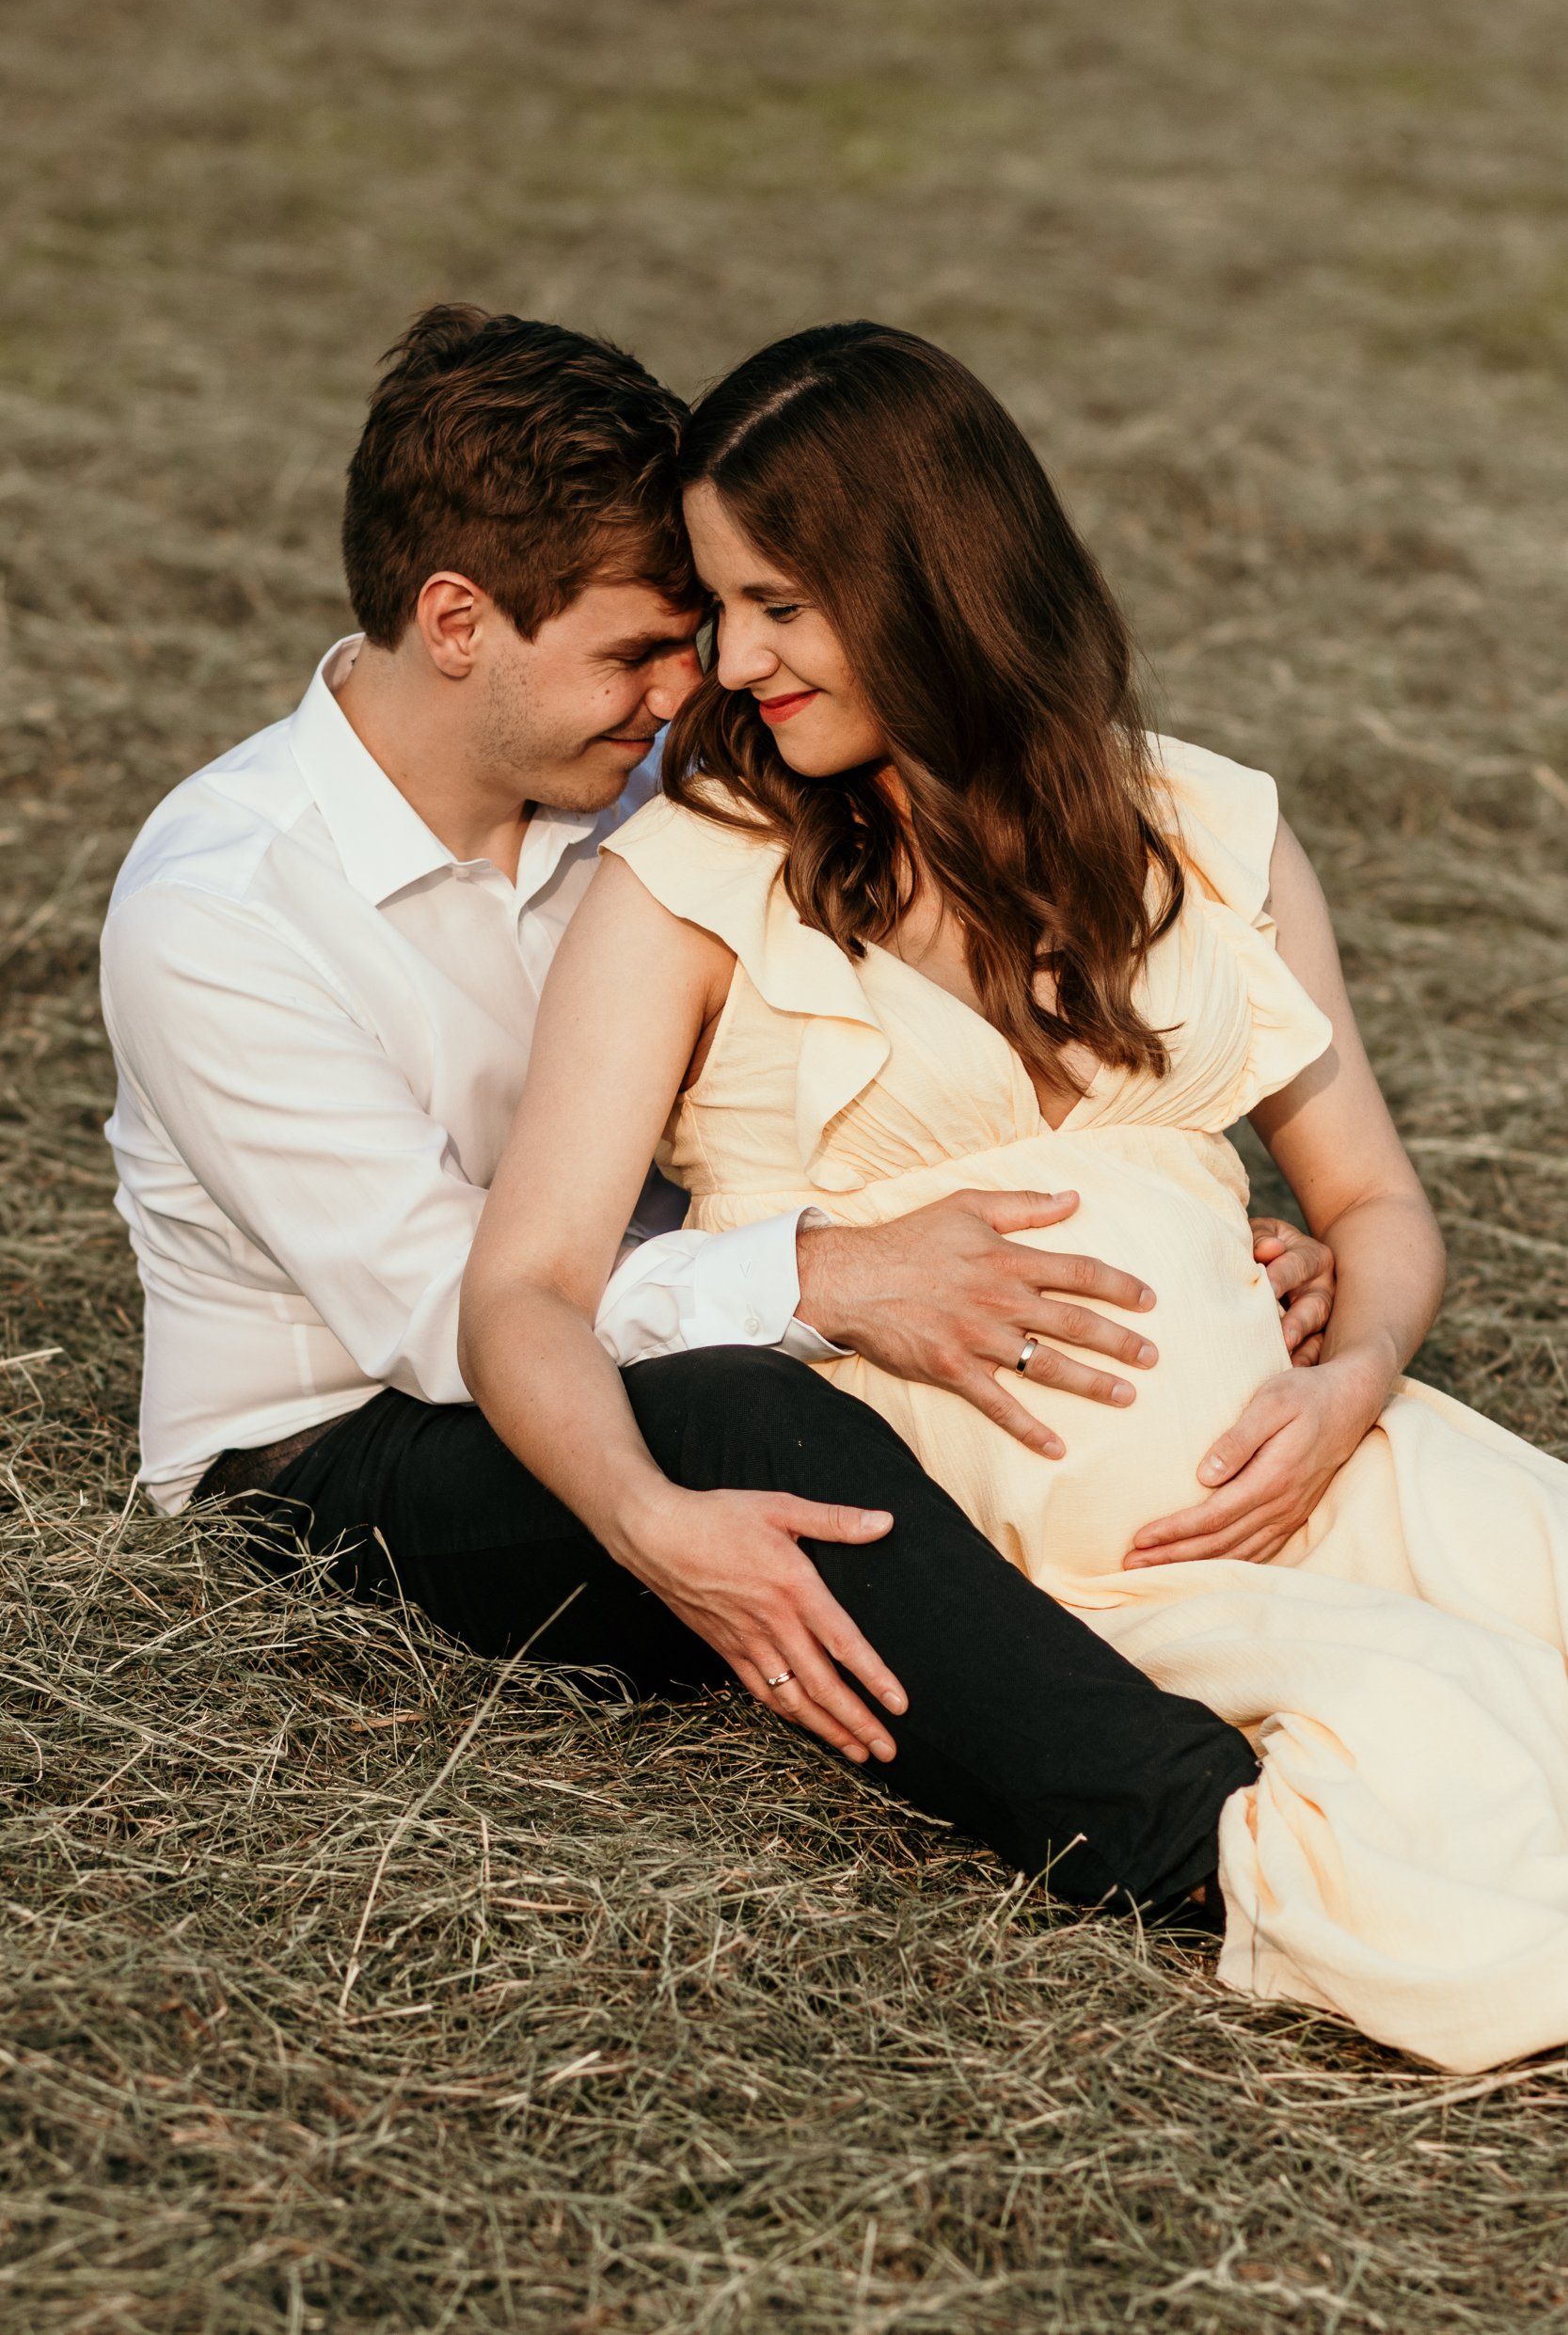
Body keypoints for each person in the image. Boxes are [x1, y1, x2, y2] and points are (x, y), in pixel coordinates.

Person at [100, 303, 1336, 1923]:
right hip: (340, 1448)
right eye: (638, 651)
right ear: (457, 620)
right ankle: (1216, 1847)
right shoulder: (223, 912)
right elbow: (436, 1313)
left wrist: (1161, 1231)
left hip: (670, 1330)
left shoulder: (654, 795)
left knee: (820, 1379)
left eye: (700, 633)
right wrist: (824, 1279)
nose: (695, 686)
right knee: (751, 1414)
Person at [459, 321, 1568, 2075]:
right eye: (716, 606)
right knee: (1468, 1765)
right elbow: (521, 1289)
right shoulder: (691, 886)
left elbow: (1379, 1210)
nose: (732, 662)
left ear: (926, 576)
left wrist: (1348, 1380)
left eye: (777, 604)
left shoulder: (1206, 829)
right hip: (1075, 1569)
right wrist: (643, 1519)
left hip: (1338, 1462)